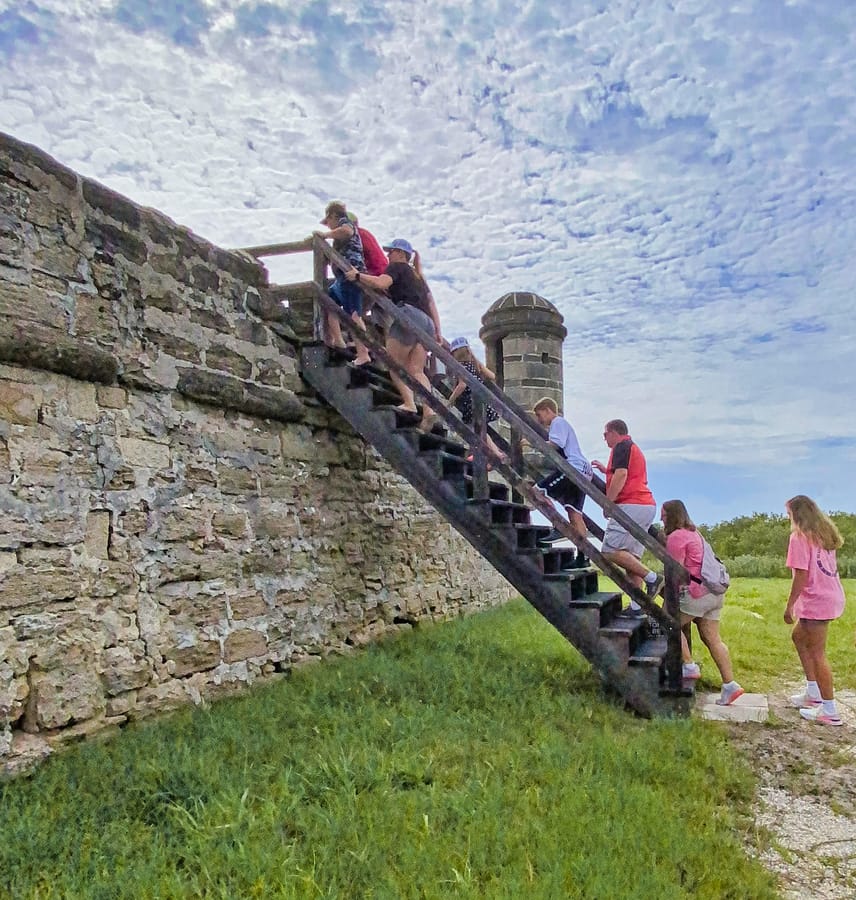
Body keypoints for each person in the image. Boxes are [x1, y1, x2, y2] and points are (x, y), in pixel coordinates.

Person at [345, 238, 443, 431]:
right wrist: (438, 331)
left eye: (391, 252)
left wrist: (358, 276)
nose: (388, 255)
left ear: (400, 253)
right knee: (416, 370)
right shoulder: (418, 277)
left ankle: (409, 403)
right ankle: (429, 410)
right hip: (427, 323)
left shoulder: (398, 267)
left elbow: (382, 283)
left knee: (392, 361)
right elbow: (432, 304)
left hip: (408, 315)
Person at [661, 500, 744, 706]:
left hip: (697, 593)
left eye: (663, 514)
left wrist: (663, 590)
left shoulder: (676, 537)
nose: (661, 517)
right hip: (714, 593)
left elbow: (676, 571)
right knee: (713, 638)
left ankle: (688, 665)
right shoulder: (694, 533)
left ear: (671, 515)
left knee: (666, 621)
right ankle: (730, 685)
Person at [784, 495, 846, 727]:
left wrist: (790, 605)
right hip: (831, 596)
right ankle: (813, 693)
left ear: (797, 514)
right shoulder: (823, 535)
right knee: (799, 637)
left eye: (789, 514)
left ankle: (829, 710)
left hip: (816, 601)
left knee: (818, 653)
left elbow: (801, 574)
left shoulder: (799, 537)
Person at [592, 419, 662, 613]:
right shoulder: (632, 448)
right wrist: (606, 470)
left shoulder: (622, 445)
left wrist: (608, 503)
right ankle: (637, 606)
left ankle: (653, 578)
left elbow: (621, 475)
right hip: (645, 505)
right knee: (631, 558)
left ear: (615, 432)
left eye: (605, 434)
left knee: (609, 550)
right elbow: (627, 473)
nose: (604, 438)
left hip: (632, 503)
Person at [528, 397, 591, 547]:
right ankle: (583, 556)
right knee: (574, 513)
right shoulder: (562, 425)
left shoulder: (558, 422)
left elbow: (556, 444)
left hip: (573, 468)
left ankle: (559, 527)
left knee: (537, 491)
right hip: (584, 471)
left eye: (539, 414)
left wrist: (532, 443)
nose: (539, 420)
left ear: (548, 410)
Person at [314, 201, 371, 366]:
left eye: (328, 221)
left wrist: (325, 235)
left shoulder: (345, 223)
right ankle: (339, 342)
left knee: (354, 314)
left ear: (333, 216)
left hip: (350, 275)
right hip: (342, 278)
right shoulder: (338, 232)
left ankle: (363, 353)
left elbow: (346, 232)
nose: (329, 226)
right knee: (330, 302)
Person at [447, 337, 506, 463]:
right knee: (481, 429)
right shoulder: (475, 364)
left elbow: (462, 385)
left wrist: (451, 399)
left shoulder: (460, 367)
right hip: (481, 399)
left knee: (476, 430)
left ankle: (489, 453)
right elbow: (492, 376)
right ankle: (492, 453)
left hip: (470, 402)